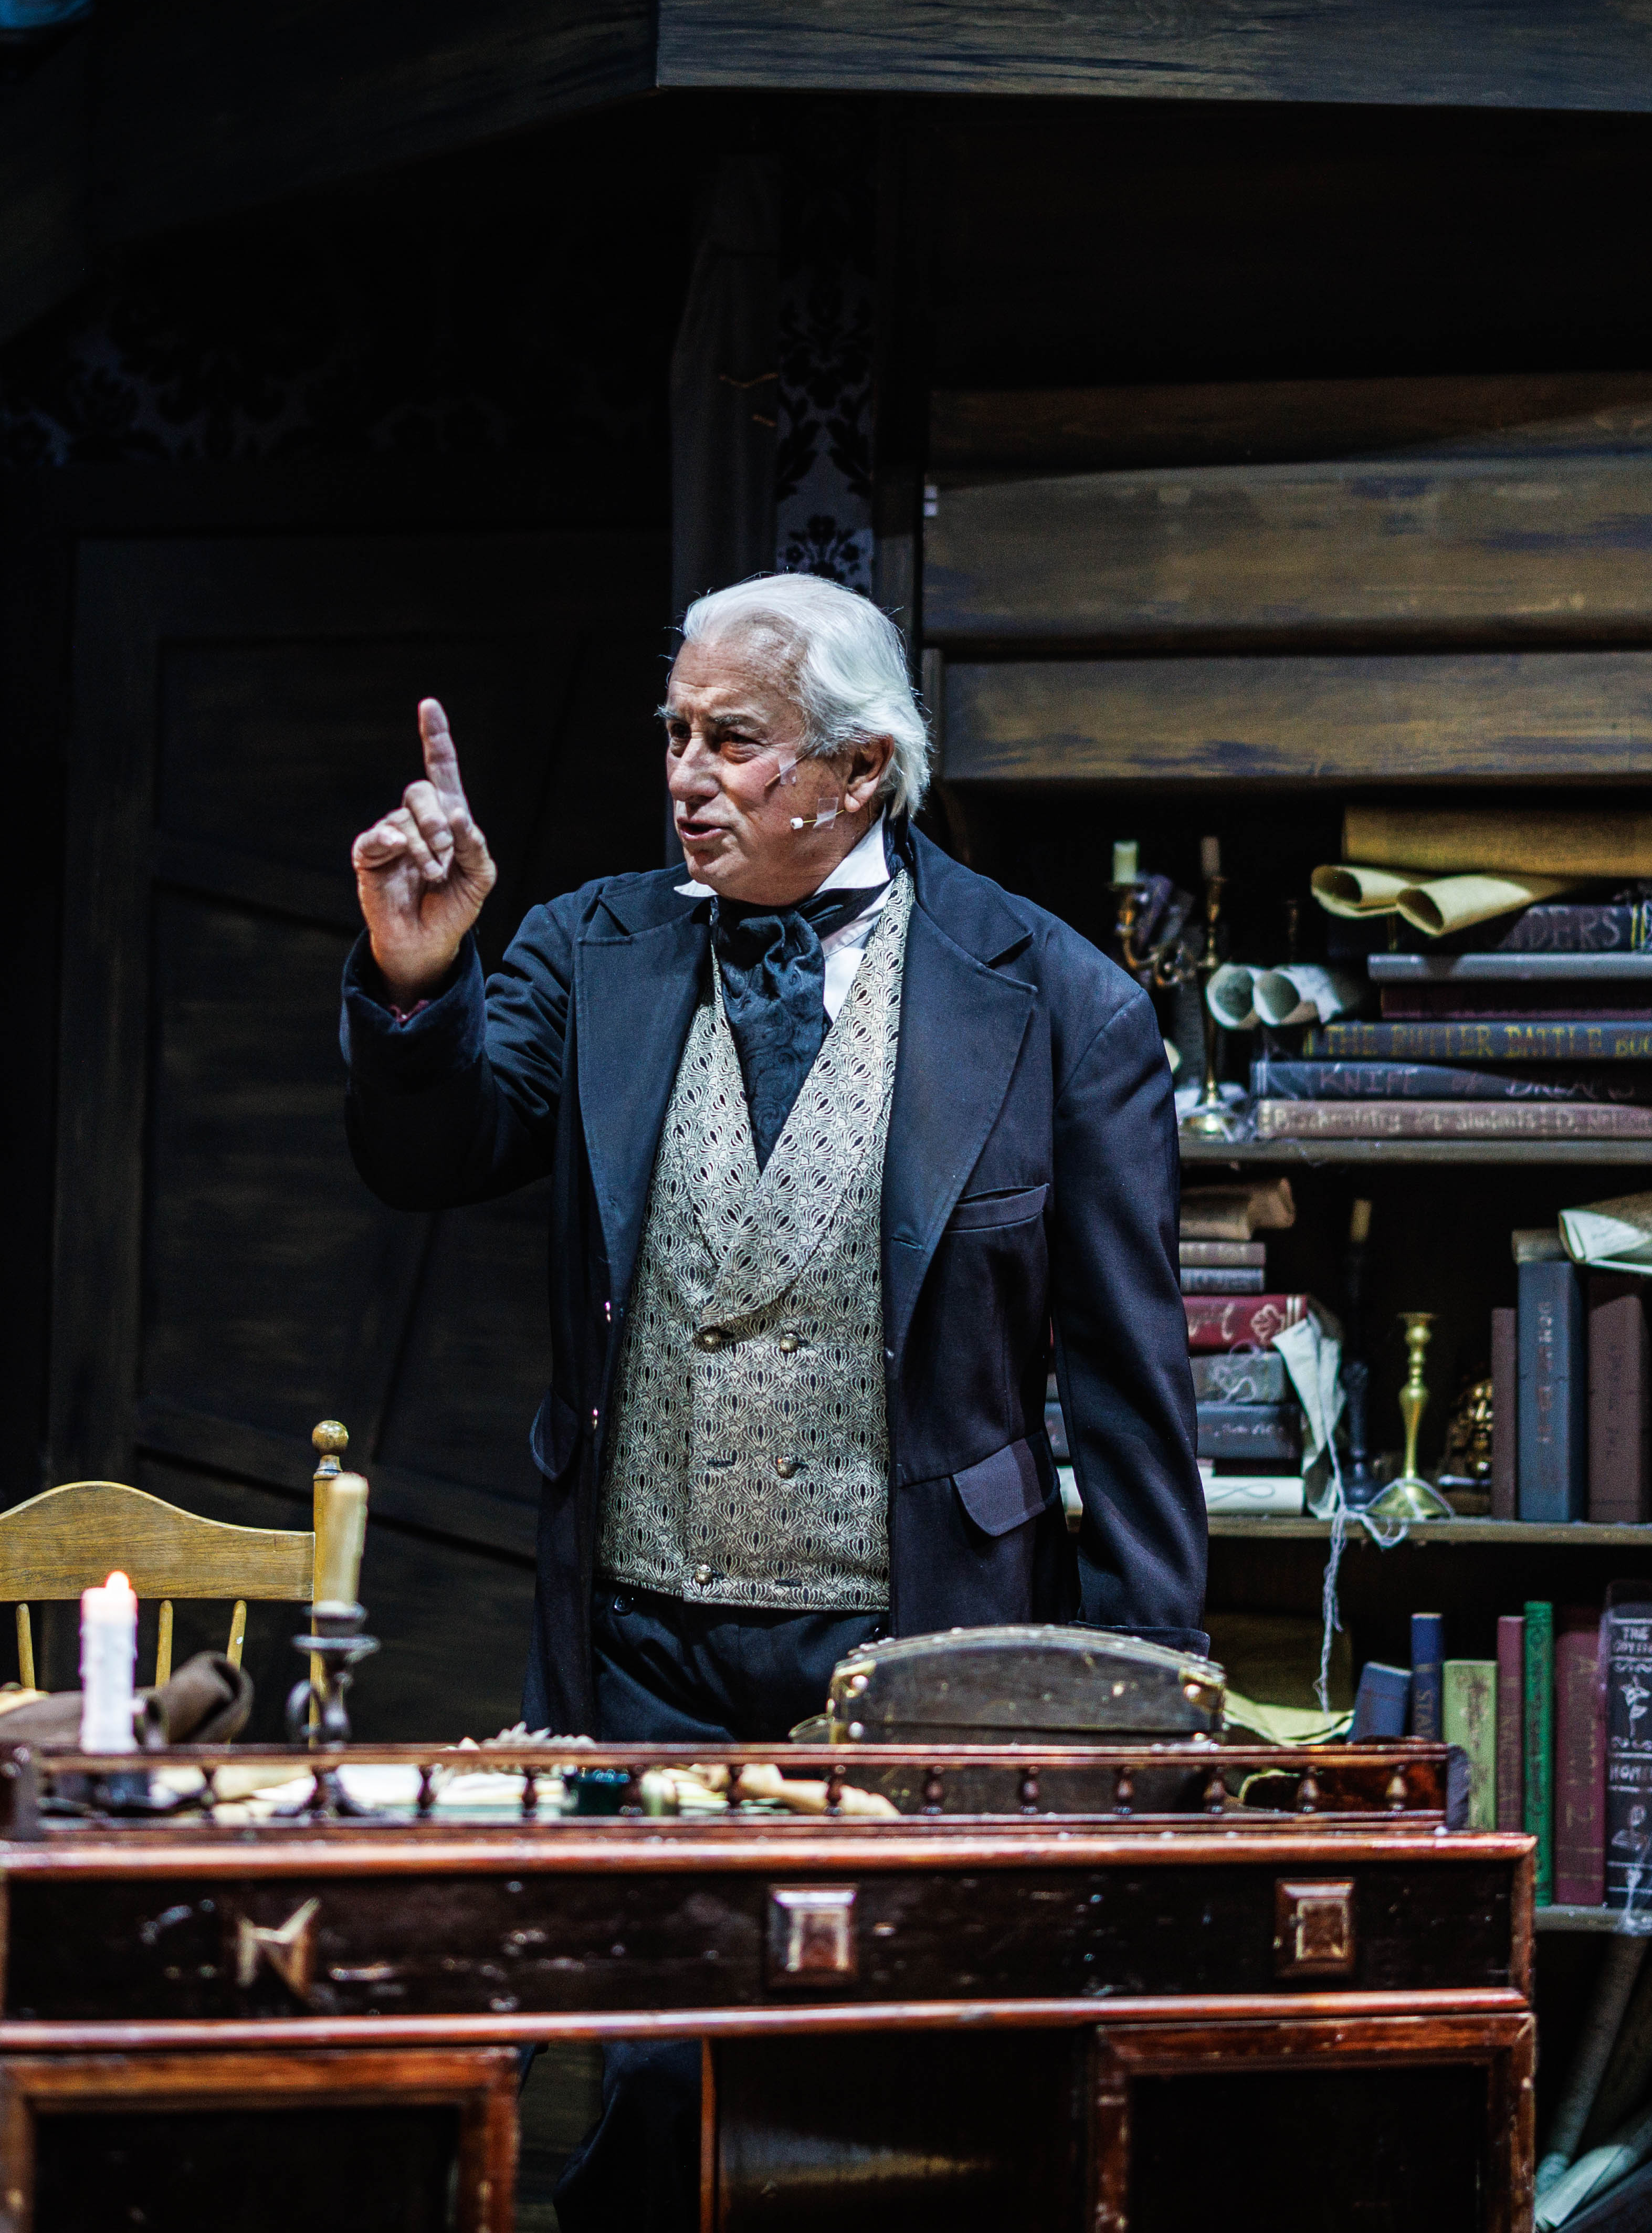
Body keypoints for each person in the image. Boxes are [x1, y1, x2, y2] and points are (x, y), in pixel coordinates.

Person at [341, 571, 1205, 2229]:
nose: (685, 775)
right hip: (641, 1644)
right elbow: (429, 1153)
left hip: (915, 1647)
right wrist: (416, 981)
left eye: (731, 740)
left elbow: (1125, 1385)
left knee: (890, 2115)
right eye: (673, 733)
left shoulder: (1057, 1000)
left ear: (861, 768)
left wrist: (1142, 1704)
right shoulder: (591, 947)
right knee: (658, 2083)